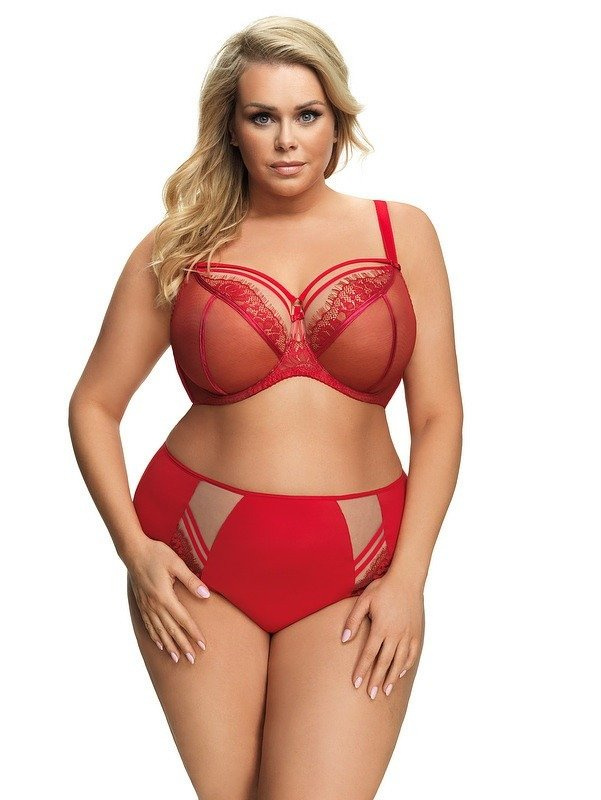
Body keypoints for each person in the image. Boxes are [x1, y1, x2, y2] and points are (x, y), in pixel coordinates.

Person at [68, 14, 463, 800]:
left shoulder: (402, 234)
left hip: (360, 566)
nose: (286, 140)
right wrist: (134, 552)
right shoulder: (179, 245)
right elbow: (94, 405)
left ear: (335, 121)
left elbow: (437, 417)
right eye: (262, 117)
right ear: (232, 128)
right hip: (195, 553)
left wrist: (409, 579)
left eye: (306, 115)